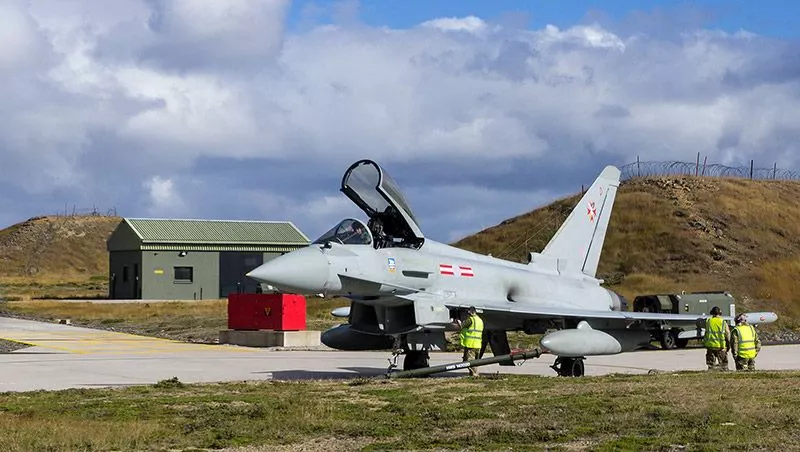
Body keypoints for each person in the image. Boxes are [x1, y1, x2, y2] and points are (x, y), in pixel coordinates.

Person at [456, 306, 484, 376]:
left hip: (471, 344)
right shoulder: (480, 320)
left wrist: (458, 321)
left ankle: (475, 375)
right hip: (477, 344)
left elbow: (462, 326)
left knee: (469, 361)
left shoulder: (471, 320)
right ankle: (473, 373)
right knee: (474, 361)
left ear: (470, 312)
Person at [703, 306, 730, 371]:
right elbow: (727, 334)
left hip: (710, 345)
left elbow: (706, 332)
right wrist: (728, 345)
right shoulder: (723, 322)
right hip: (720, 346)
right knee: (724, 365)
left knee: (711, 365)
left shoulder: (708, 321)